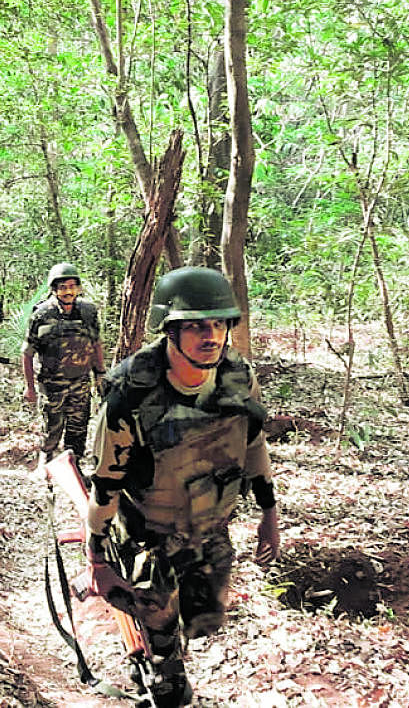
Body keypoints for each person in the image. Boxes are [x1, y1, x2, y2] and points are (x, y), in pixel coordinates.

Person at [84, 266, 280, 708]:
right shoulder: (131, 391)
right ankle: (163, 672)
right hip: (146, 531)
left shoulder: (237, 377)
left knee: (203, 615)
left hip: (209, 522)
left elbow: (254, 444)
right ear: (170, 330)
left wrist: (269, 513)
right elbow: (106, 480)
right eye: (195, 326)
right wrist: (95, 554)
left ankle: (170, 645)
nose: (209, 335)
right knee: (161, 629)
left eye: (218, 324)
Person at [22, 263, 105, 469]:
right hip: (52, 384)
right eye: (62, 287)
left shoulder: (88, 312)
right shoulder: (41, 314)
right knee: (52, 426)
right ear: (54, 289)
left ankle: (74, 467)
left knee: (79, 427)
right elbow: (27, 352)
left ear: (78, 288)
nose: (68, 291)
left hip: (81, 382)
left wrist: (101, 374)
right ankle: (46, 462)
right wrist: (30, 387)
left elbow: (96, 344)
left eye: (72, 286)